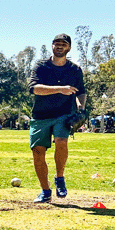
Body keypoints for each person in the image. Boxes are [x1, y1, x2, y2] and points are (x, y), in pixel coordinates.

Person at [28, 34, 87, 203]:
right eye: (56, 43)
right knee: (38, 152)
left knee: (61, 141)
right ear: (52, 46)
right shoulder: (41, 66)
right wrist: (60, 89)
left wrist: (81, 108)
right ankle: (45, 191)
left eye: (63, 44)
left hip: (64, 113)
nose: (59, 46)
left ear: (68, 48)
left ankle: (59, 178)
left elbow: (80, 91)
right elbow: (34, 89)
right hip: (41, 115)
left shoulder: (75, 70)